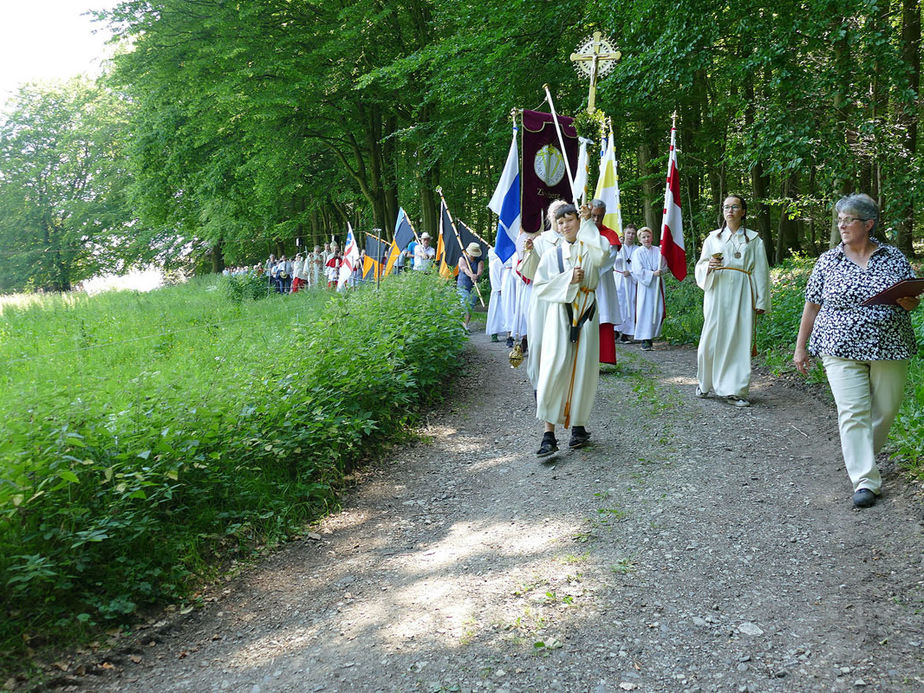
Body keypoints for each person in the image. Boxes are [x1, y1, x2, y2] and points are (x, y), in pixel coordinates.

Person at [793, 193, 920, 508]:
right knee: (852, 411)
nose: (842, 225)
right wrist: (801, 348)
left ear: (869, 223)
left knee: (886, 410)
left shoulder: (892, 257)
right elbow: (812, 304)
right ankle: (865, 481)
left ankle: (863, 455)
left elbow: (912, 298)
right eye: (840, 220)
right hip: (839, 346)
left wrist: (911, 302)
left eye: (848, 219)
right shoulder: (828, 260)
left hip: (889, 344)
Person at [532, 203, 605, 457]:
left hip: (586, 313)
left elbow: (602, 255)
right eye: (560, 222)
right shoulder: (552, 255)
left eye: (570, 220)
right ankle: (548, 435)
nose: (565, 226)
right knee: (554, 367)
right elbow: (541, 287)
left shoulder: (591, 248)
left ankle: (578, 427)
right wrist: (567, 280)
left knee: (583, 369)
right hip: (559, 316)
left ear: (578, 221)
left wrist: (589, 224)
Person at [695, 194, 771, 406]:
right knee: (710, 340)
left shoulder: (754, 240)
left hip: (742, 292)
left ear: (743, 212)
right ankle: (704, 383)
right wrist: (707, 267)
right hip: (717, 291)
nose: (729, 210)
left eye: (734, 207)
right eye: (726, 207)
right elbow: (700, 265)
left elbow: (761, 271)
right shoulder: (713, 239)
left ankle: (734, 390)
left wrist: (761, 300)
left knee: (738, 340)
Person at [589, 199, 622, 364]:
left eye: (599, 217)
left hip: (601, 282)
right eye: (593, 216)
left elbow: (607, 261)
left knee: (602, 315)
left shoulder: (610, 235)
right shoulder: (581, 232)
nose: (596, 220)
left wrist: (590, 272)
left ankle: (603, 357)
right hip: (582, 282)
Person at [630, 228, 666, 351]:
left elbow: (664, 265)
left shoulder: (658, 250)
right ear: (640, 239)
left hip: (657, 285)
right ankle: (645, 339)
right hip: (646, 286)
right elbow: (637, 270)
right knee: (645, 311)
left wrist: (661, 271)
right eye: (643, 237)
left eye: (648, 237)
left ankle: (653, 334)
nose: (646, 239)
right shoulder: (637, 253)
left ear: (652, 237)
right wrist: (652, 274)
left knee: (658, 310)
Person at [614, 224, 638, 342]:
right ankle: (615, 329)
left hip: (630, 279)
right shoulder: (619, 247)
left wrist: (631, 272)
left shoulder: (637, 249)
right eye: (628, 233)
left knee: (630, 304)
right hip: (619, 277)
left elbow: (639, 266)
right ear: (624, 233)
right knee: (618, 303)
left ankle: (626, 332)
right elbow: (613, 260)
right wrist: (618, 248)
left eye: (633, 233)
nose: (630, 236)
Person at [457, 242, 484, 332]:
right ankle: (462, 325)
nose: (473, 256)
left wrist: (476, 276)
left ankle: (465, 325)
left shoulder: (479, 260)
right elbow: (463, 268)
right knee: (465, 304)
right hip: (463, 285)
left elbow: (480, 270)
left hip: (474, 286)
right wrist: (471, 275)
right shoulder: (462, 258)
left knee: (470, 306)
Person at [485, 247, 505, 341]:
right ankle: (494, 332)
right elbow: (494, 276)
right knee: (496, 312)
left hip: (505, 288)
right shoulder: (495, 262)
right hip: (498, 290)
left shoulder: (501, 261)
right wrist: (499, 288)